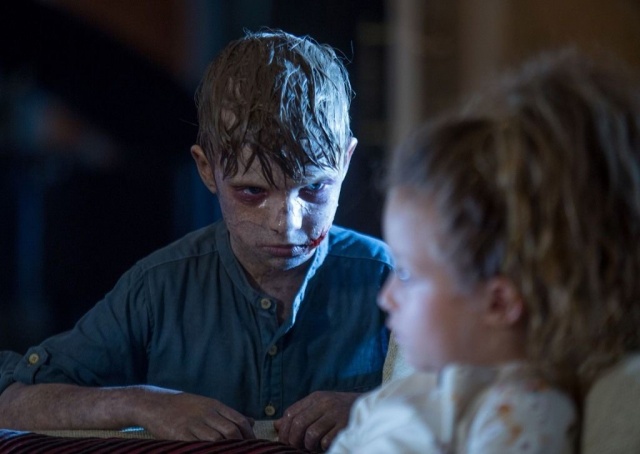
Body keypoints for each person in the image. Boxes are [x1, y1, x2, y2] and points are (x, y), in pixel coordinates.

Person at [0, 30, 393, 452]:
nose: (288, 224)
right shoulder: (157, 288)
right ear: (207, 169)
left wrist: (375, 408)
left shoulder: (392, 279)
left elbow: (449, 399)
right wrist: (143, 404)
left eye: (314, 188)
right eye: (252, 192)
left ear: (345, 161)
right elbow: (11, 401)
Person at [329, 48, 640, 453]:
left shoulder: (523, 412)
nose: (386, 296)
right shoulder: (414, 388)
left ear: (499, 301)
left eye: (407, 273)